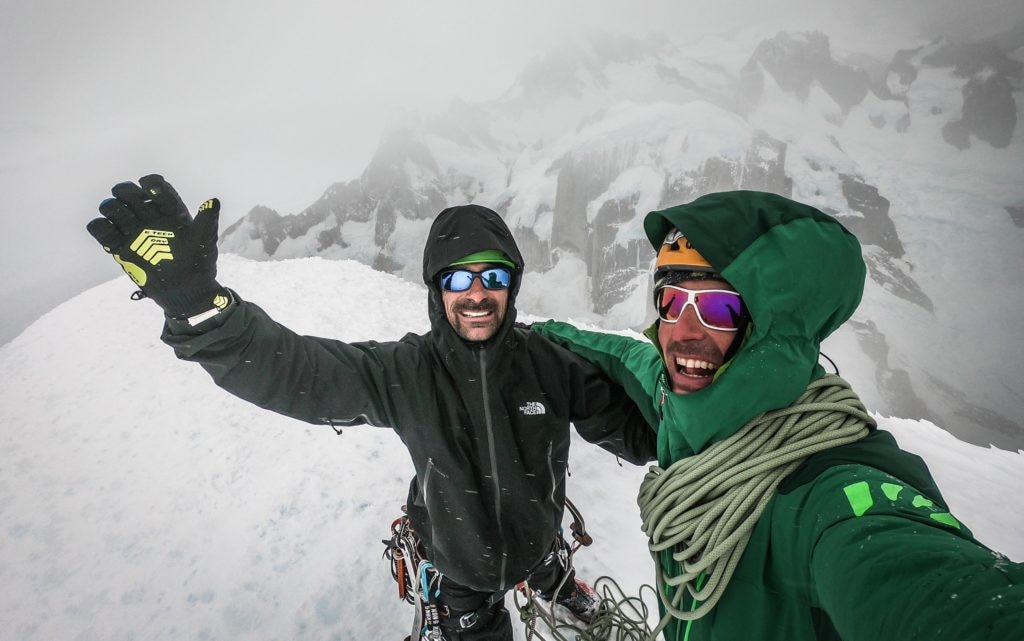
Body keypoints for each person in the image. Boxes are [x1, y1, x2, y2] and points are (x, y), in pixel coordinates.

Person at [85, 174, 657, 640]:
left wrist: (700, 416)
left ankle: (551, 578)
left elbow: (634, 433)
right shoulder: (406, 372)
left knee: (540, 554)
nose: (477, 292)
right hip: (459, 568)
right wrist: (200, 311)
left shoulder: (553, 364)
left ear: (512, 284)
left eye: (493, 276)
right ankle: (525, 586)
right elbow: (298, 371)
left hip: (536, 538)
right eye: (459, 277)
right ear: (437, 289)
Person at [532, 190, 1024, 640]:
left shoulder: (832, 500)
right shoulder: (685, 402)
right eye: (671, 302)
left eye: (719, 308)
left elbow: (933, 591)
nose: (682, 331)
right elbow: (625, 356)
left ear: (771, 329)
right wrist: (535, 334)